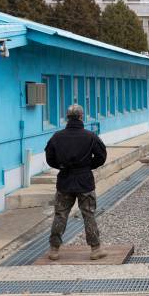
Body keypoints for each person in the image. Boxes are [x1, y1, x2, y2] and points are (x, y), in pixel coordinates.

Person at [44, 104, 108, 261]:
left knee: (60, 215)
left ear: (67, 118)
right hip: (84, 181)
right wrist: (87, 166)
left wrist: (61, 166)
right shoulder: (90, 136)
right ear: (81, 117)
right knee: (88, 214)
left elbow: (50, 159)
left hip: (64, 180)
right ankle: (95, 249)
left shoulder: (57, 137)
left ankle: (54, 249)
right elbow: (101, 156)